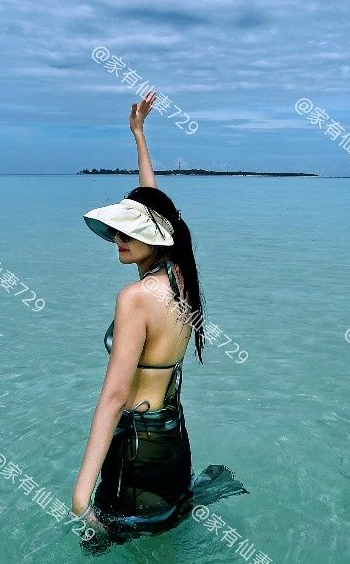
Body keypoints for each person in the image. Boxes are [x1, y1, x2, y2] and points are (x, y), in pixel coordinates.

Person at [69, 92, 246, 548]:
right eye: (117, 230)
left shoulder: (135, 299)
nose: (119, 238)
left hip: (135, 449)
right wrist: (139, 136)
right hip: (173, 436)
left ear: (156, 236)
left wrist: (79, 498)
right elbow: (157, 206)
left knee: (107, 541)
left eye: (131, 231)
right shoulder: (181, 278)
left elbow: (113, 398)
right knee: (164, 535)